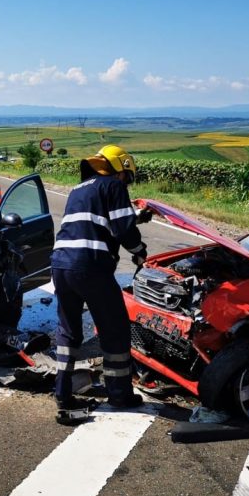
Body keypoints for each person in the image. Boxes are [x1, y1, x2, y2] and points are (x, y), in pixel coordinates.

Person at [50, 144, 149, 422]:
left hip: (61, 264)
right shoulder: (114, 186)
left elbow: (96, 220)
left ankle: (63, 391)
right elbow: (123, 230)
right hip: (91, 266)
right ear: (120, 168)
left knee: (68, 331)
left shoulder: (79, 189)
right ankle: (119, 395)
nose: (125, 182)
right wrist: (139, 251)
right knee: (115, 329)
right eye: (126, 177)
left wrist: (133, 216)